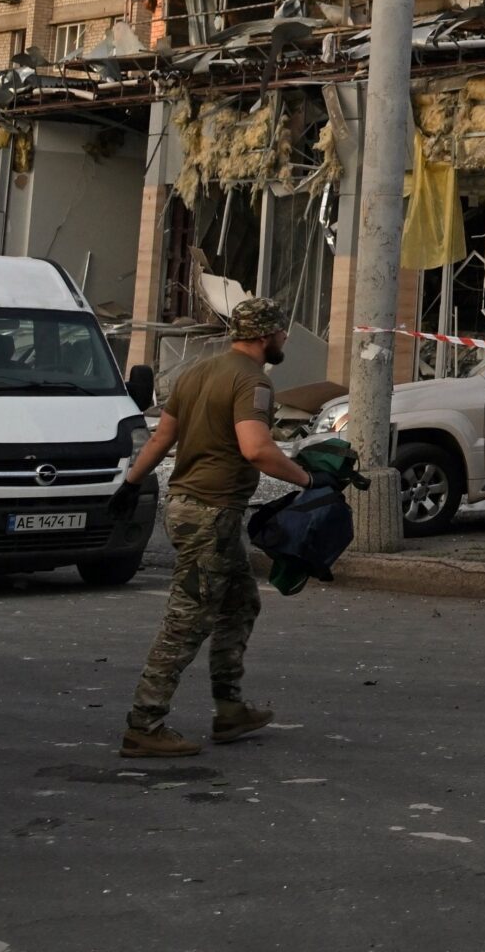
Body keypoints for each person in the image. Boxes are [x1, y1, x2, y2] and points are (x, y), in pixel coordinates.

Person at [108, 297, 314, 758]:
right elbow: (256, 448)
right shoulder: (252, 381)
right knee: (186, 620)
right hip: (211, 514)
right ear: (265, 334)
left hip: (187, 507)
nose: (284, 339)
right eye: (282, 332)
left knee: (241, 602)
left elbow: (162, 436)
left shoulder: (196, 372)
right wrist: (306, 479)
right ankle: (144, 723)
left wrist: (131, 483)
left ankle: (230, 710)